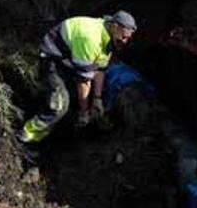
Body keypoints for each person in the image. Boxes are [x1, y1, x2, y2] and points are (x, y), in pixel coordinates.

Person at [17, 10, 138, 143]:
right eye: (124, 36)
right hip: (52, 58)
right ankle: (26, 135)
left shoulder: (107, 36)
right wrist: (84, 113)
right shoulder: (91, 39)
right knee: (60, 106)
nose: (125, 41)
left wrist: (97, 99)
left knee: (76, 98)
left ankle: (47, 129)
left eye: (128, 38)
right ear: (115, 26)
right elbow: (83, 81)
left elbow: (100, 70)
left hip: (69, 59)